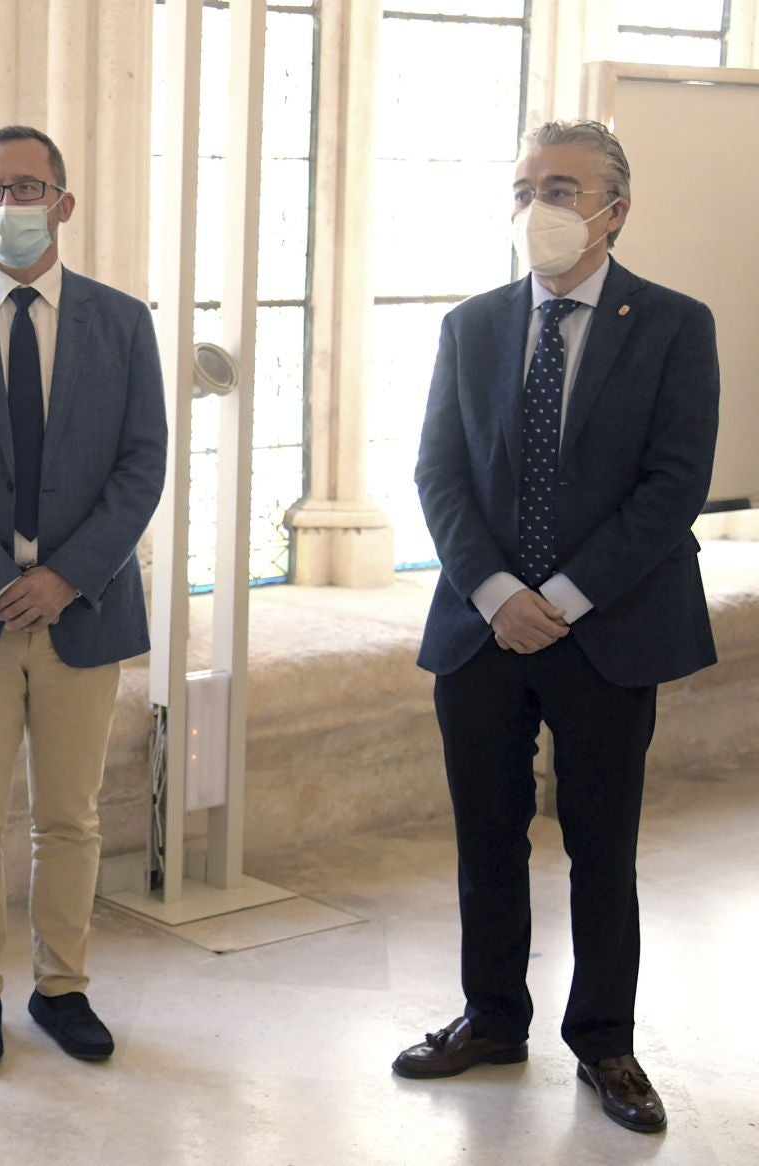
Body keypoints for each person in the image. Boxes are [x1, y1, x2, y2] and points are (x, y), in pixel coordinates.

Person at [397, 120, 718, 1135]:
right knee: (487, 835)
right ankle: (491, 1016)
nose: (540, 205)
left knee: (601, 845)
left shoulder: (674, 324)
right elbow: (438, 475)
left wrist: (565, 598)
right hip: (480, 630)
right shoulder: (473, 325)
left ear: (616, 209)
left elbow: (673, 488)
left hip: (610, 629)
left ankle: (606, 1042)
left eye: (565, 187)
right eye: (526, 185)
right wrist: (498, 593)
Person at [0, 125, 168, 1068]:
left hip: (81, 611)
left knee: (71, 815)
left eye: (26, 186)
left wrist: (64, 577)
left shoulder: (124, 322)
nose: (7, 205)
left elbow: (143, 466)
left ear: (64, 201)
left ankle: (63, 986)